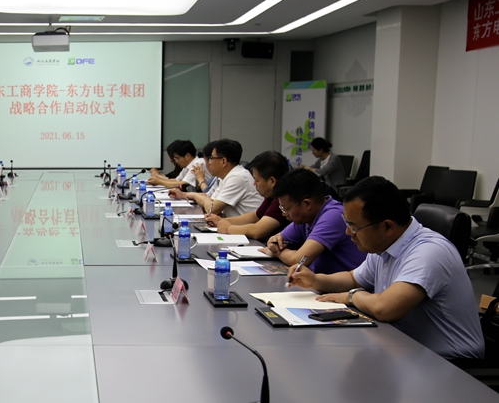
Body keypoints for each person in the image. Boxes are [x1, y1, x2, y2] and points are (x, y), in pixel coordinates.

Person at [287, 176, 484, 360]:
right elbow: (353, 278)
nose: (348, 232)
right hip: (404, 347)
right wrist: (315, 280)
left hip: (450, 363)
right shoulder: (385, 245)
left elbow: (386, 308)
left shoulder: (429, 252)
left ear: (387, 226)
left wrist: (352, 296)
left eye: (354, 227)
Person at [261, 168, 365, 272]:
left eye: (286, 208)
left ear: (307, 204)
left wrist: (277, 253)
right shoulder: (305, 218)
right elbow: (275, 239)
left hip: (345, 281)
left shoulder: (334, 216)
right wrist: (274, 244)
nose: (284, 214)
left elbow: (299, 260)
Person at [205, 151, 290, 241]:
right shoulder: (271, 195)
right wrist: (221, 221)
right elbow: (255, 216)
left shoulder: (282, 199)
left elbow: (257, 231)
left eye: (257, 180)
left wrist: (228, 228)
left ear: (272, 181)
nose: (254, 183)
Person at [171, 139, 262, 217]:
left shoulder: (237, 177)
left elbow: (212, 209)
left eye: (211, 158)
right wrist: (183, 195)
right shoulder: (226, 176)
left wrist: (196, 196)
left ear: (223, 161)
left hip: (246, 230)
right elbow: (209, 197)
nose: (209, 162)